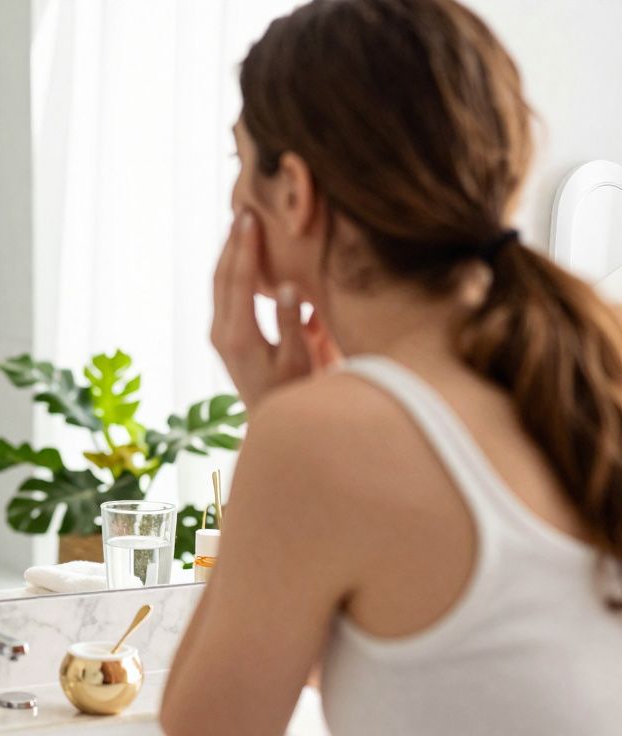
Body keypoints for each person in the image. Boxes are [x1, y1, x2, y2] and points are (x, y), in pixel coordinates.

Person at [160, 0, 622, 733]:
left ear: (294, 193)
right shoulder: (593, 368)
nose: (234, 195)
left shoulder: (321, 438)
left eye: (239, 162)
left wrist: (271, 417)